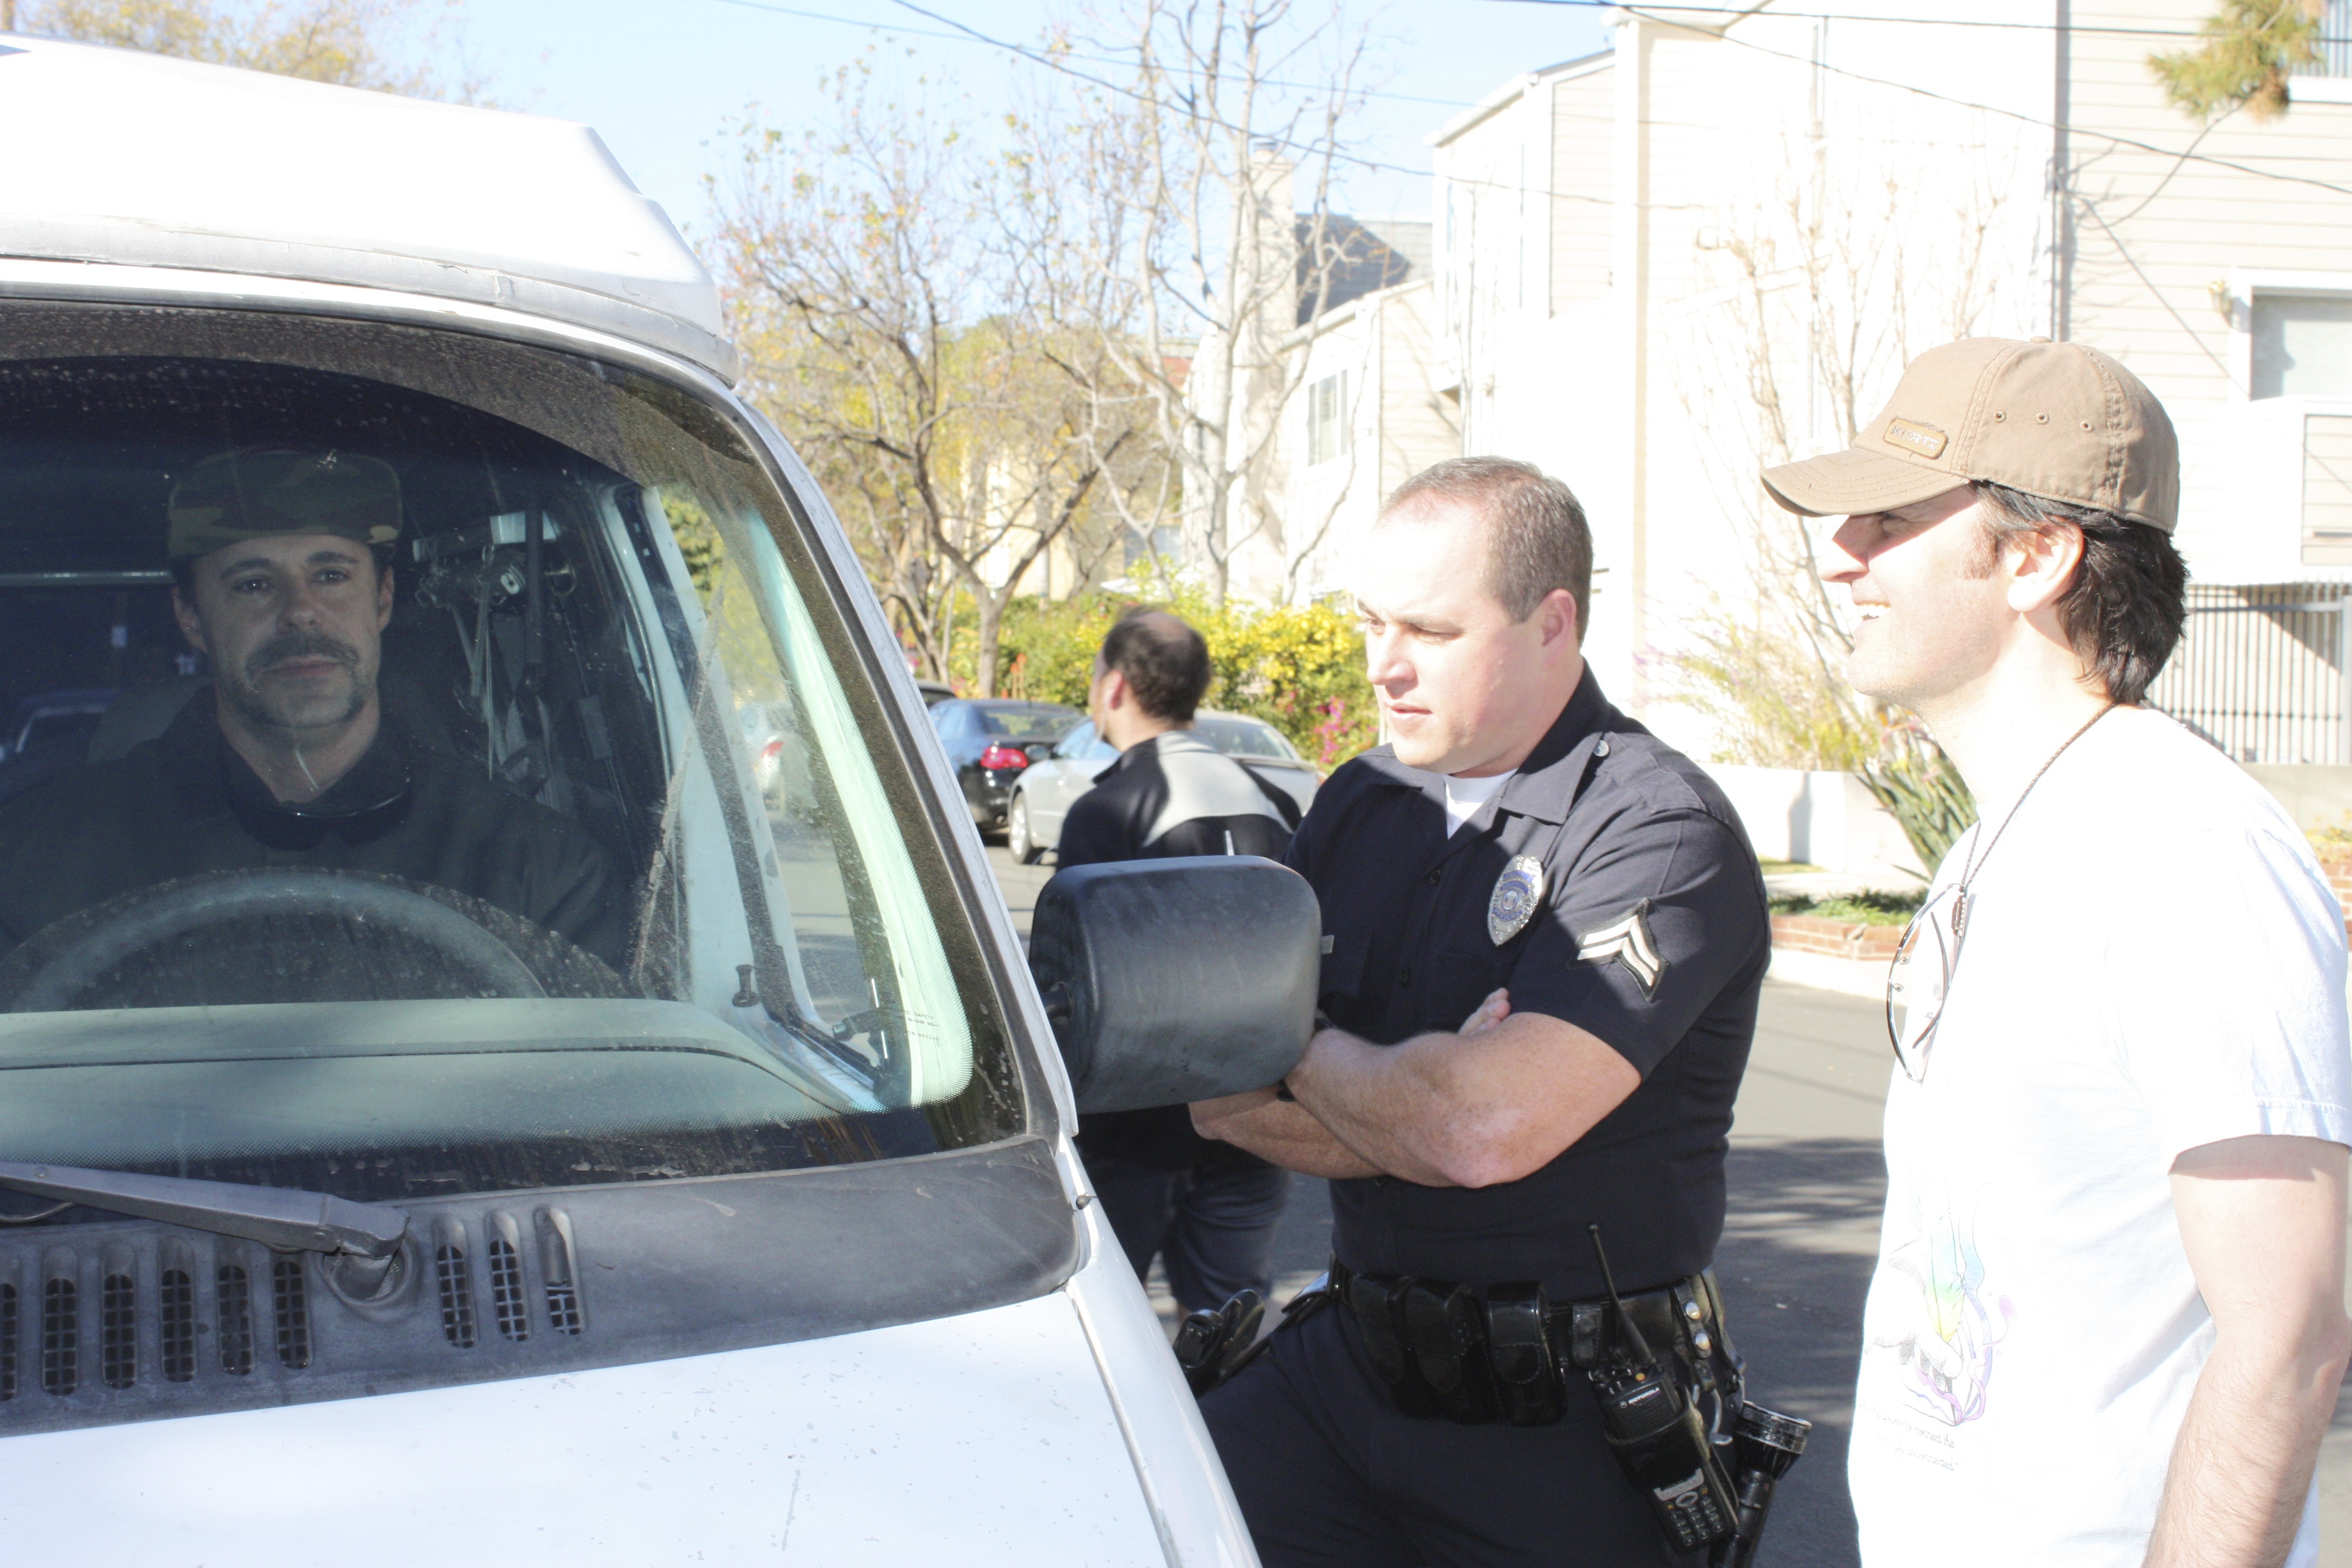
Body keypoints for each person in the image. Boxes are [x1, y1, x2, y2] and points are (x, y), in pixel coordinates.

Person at [1760, 337, 2352, 1567]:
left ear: (2038, 553)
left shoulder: (2184, 848)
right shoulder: (2004, 835)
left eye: (1888, 516)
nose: (1839, 553)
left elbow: (2287, 1330)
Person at [1190, 456, 1771, 1567]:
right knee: (1141, 1515)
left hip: (1562, 1434)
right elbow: (1223, 1099)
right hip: (1345, 1376)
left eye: (1432, 631)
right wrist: (1413, 1088)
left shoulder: (1656, 830)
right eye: (1371, 623)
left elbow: (1480, 1129)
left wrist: (1307, 1047)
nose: (1384, 665)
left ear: (1553, 623)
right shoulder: (1361, 802)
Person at [0, 445, 629, 988]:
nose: (300, 612)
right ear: (191, 617)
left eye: (330, 575)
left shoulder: (535, 871)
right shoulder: (33, 863)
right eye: (252, 584)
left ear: (382, 598)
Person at [1061, 607, 1301, 1313]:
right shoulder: (1278, 800)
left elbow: (1075, 983)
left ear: (1113, 687)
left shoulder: (1108, 811)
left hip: (1135, 1133)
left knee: (1107, 1328)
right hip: (1257, 1128)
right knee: (1229, 1332)